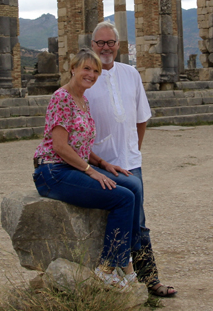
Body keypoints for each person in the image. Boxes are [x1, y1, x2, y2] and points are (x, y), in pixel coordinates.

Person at [32, 48, 144, 288]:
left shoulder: (83, 100)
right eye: (86, 68)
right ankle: (107, 268)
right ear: (73, 69)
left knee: (133, 185)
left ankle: (124, 257)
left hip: (72, 167)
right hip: (53, 172)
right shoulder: (62, 98)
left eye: (95, 70)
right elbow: (61, 147)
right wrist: (90, 171)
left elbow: (79, 144)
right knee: (122, 198)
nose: (91, 74)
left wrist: (102, 164)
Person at [86, 20, 177, 298]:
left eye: (110, 42)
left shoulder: (131, 74)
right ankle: (115, 275)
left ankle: (148, 279)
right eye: (100, 43)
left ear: (118, 45)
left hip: (129, 162)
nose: (106, 48)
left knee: (138, 219)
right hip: (100, 163)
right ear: (92, 46)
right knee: (120, 216)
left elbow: (141, 118)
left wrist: (134, 149)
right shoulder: (86, 79)